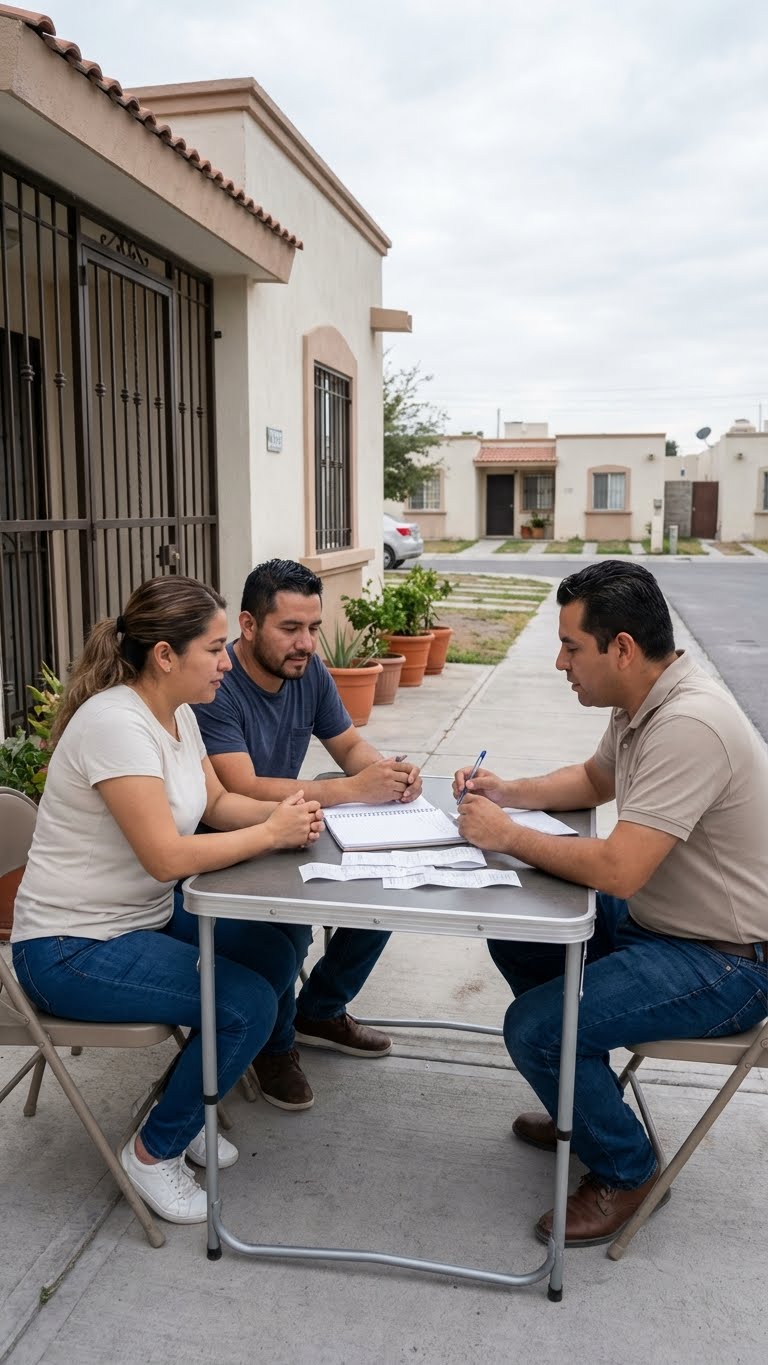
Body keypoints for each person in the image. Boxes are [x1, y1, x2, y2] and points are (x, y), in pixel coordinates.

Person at [453, 560, 768, 1249]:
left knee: (537, 1028)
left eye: (571, 646)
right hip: (666, 925)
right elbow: (595, 778)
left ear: (621, 647)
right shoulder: (644, 701)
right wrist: (508, 792)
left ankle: (628, 1167)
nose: (560, 661)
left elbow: (620, 870)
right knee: (519, 933)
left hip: (725, 960)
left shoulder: (690, 722)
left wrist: (507, 835)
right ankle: (582, 1100)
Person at [11, 576, 324, 1225]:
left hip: (142, 917)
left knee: (271, 946)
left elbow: (216, 803)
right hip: (71, 948)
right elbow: (166, 856)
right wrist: (267, 834)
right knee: (244, 1005)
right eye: (214, 648)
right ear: (164, 654)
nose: (226, 661)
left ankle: (192, 1101)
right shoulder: (115, 725)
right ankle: (156, 1149)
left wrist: (287, 814)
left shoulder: (176, 709)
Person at [192, 558, 423, 1111]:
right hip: (229, 843)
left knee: (386, 889)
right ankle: (275, 1044)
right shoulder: (216, 683)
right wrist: (350, 790)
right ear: (248, 626)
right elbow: (239, 788)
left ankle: (319, 1009)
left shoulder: (309, 672)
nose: (306, 644)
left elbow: (348, 748)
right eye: (290, 629)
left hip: (294, 826)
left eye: (314, 628)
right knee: (289, 926)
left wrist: (386, 774)